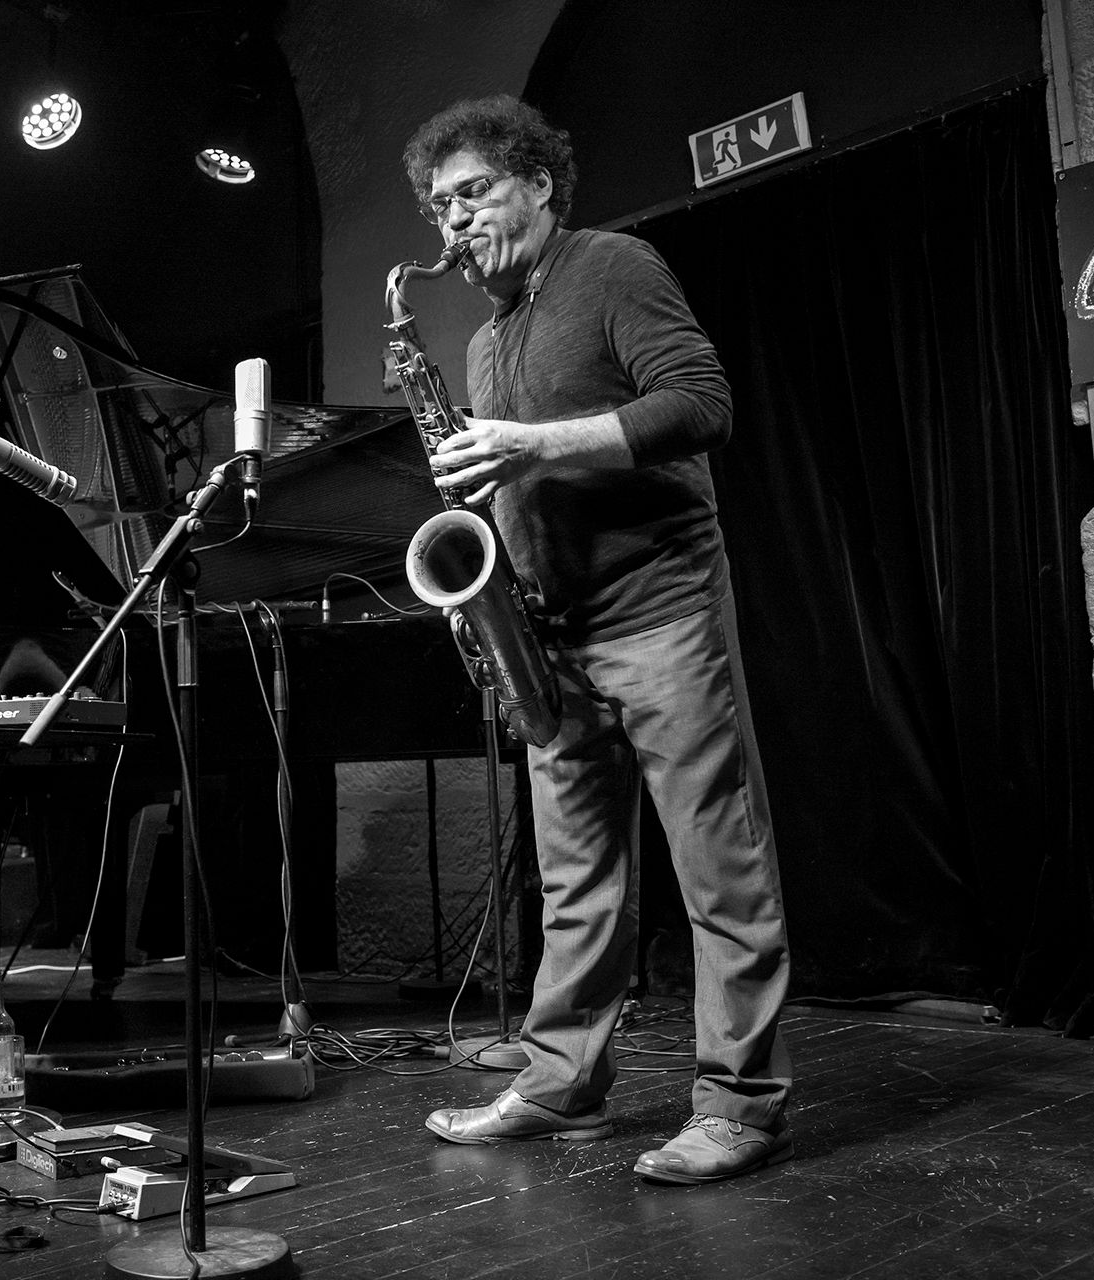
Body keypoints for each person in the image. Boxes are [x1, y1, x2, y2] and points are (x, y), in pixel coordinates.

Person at [403, 96, 793, 1185]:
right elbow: (515, 485)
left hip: (662, 613)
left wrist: (532, 444)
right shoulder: (483, 342)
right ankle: (559, 1085)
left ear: (537, 183)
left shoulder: (612, 266)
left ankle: (743, 1105)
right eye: (440, 207)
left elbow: (701, 404)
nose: (454, 223)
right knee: (575, 886)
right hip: (551, 641)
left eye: (473, 193)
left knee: (720, 870)